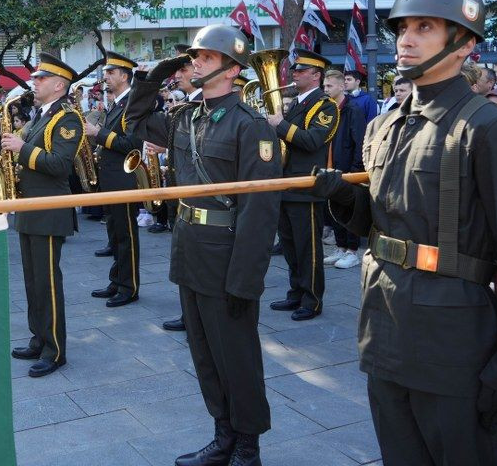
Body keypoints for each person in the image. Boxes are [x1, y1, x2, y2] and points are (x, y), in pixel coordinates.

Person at [312, 0, 497, 465]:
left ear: (464, 43)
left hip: (455, 342)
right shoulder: (384, 124)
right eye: (403, 27)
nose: (406, 39)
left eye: (425, 27)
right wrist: (342, 195)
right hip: (385, 329)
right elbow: (384, 224)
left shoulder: (493, 129)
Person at [125, 24, 282, 466]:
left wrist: (246, 279)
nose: (194, 63)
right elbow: (134, 122)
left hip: (228, 254)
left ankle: (248, 445)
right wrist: (152, 78)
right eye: (193, 57)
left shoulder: (250, 125)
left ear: (232, 70)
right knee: (205, 354)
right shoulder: (184, 116)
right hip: (191, 248)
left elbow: (260, 208)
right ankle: (223, 434)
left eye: (205, 58)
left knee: (237, 356)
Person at [3, 53, 83, 378]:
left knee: (48, 283)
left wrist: (20, 148)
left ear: (58, 85)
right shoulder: (40, 115)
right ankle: (38, 338)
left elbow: (60, 165)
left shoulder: (68, 118)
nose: (34, 82)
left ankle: (55, 350)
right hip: (30, 209)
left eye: (40, 78)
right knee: (33, 281)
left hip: (49, 210)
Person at [268, 49, 338, 321]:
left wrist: (281, 125)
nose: (293, 74)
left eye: (300, 71)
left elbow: (312, 141)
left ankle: (312, 300)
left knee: (308, 249)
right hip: (286, 184)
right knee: (290, 246)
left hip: (307, 187)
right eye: (294, 70)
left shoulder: (325, 105)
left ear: (316, 75)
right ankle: (295, 293)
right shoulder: (296, 103)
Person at [84, 51, 143, 307]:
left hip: (124, 179)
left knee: (126, 235)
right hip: (111, 178)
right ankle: (117, 280)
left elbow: (132, 143)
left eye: (110, 72)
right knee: (115, 234)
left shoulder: (133, 103)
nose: (106, 77)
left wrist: (99, 133)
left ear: (124, 75)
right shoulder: (117, 103)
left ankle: (129, 287)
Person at [321, 70, 366, 270]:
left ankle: (352, 251)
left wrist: (355, 169)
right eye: (324, 86)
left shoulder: (352, 109)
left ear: (341, 86)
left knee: (349, 210)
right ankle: (340, 246)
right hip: (330, 167)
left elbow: (360, 141)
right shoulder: (328, 109)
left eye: (329, 86)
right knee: (333, 209)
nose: (325, 89)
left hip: (347, 169)